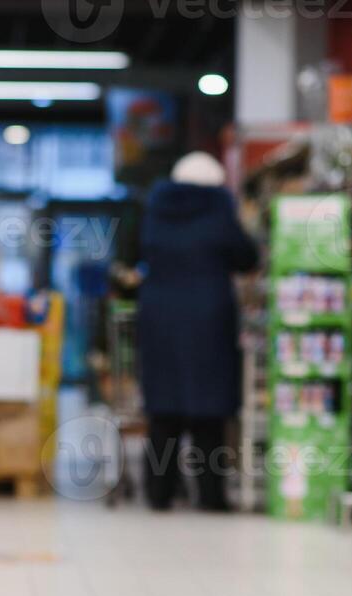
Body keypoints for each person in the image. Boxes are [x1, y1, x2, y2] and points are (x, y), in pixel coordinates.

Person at [136, 150, 258, 511]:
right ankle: (210, 496)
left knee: (163, 410)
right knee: (209, 412)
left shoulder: (155, 210)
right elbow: (246, 256)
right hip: (208, 317)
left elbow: (134, 255)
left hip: (159, 316)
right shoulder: (219, 209)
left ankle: (158, 493)